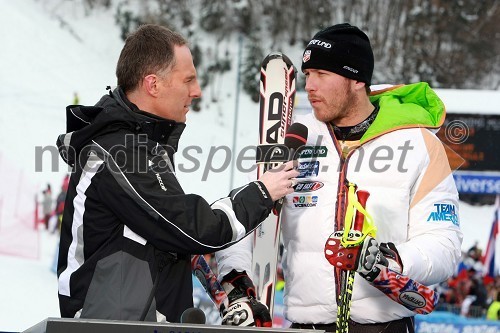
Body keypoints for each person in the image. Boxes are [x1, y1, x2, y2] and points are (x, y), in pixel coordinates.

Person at [221, 23, 463, 332]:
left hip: (382, 325)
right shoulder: (291, 140)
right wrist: (239, 287)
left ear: (357, 79)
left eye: (322, 75)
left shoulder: (419, 145)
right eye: (308, 75)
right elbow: (243, 223)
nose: (310, 86)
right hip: (306, 324)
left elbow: (443, 244)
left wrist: (386, 258)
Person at [56, 24, 298, 324]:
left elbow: (165, 236)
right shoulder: (121, 153)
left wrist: (227, 290)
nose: (196, 92)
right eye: (188, 80)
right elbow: (192, 229)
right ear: (153, 85)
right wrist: (261, 193)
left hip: (135, 320)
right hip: (114, 325)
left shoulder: (139, 148)